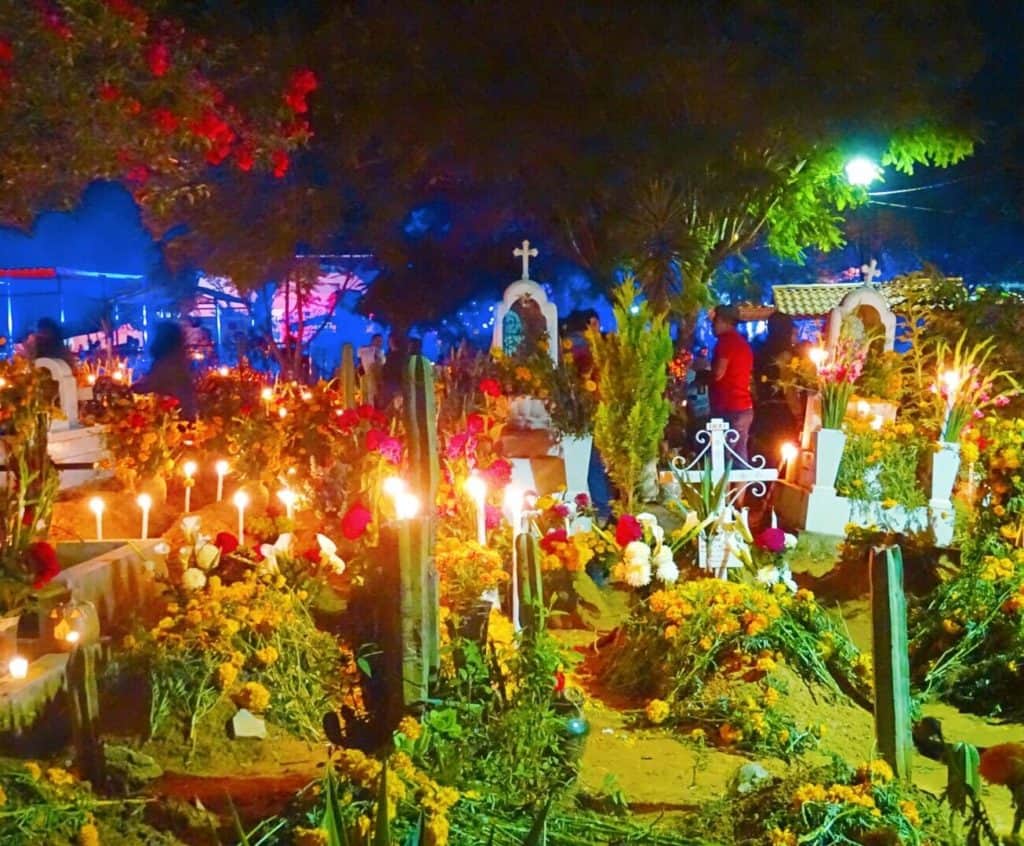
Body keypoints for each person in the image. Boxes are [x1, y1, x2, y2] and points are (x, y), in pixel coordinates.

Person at [751, 312, 801, 463]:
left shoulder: (760, 352)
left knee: (763, 458)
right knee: (780, 460)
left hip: (762, 412)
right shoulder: (785, 356)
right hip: (782, 416)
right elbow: (788, 389)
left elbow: (753, 383)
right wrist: (798, 413)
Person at [708, 304, 754, 460]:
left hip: (730, 408)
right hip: (744, 407)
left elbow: (718, 373)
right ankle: (742, 485)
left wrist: (702, 376)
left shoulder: (726, 342)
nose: (711, 326)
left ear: (722, 321)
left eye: (714, 322)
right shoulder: (742, 343)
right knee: (740, 457)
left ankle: (724, 486)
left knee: (722, 457)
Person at [133, 322, 197, 420]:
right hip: (184, 410)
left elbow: (153, 383)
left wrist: (131, 388)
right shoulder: (179, 359)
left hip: (175, 414)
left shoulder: (167, 362)